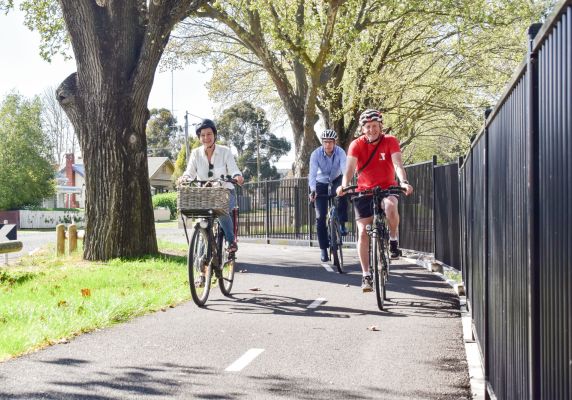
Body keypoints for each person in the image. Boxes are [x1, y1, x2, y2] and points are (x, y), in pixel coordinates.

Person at [336, 109, 413, 292]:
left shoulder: (390, 141)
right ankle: (366, 275)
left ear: (381, 126)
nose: (372, 130)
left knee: (390, 205)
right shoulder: (356, 145)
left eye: (375, 126)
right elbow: (349, 169)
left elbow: (397, 164)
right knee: (362, 232)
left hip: (387, 188)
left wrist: (403, 182)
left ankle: (393, 239)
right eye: (368, 127)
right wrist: (344, 185)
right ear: (363, 129)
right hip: (364, 191)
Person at [178, 118, 244, 253]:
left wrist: (237, 176)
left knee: (221, 210)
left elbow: (233, 169)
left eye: (209, 134)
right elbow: (189, 172)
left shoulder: (225, 151)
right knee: (202, 221)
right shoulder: (196, 153)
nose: (206, 137)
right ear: (199, 137)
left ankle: (231, 242)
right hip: (205, 196)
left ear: (214, 135)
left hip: (225, 193)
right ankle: (202, 262)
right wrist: (184, 178)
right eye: (202, 135)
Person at [308, 129, 349, 262]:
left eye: (330, 142)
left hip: (337, 179)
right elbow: (312, 174)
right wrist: (313, 190)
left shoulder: (340, 152)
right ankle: (323, 249)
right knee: (320, 218)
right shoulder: (315, 154)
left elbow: (344, 168)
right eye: (325, 142)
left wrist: (344, 185)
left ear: (334, 142)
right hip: (321, 183)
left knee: (343, 194)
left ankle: (342, 223)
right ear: (322, 143)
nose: (328, 145)